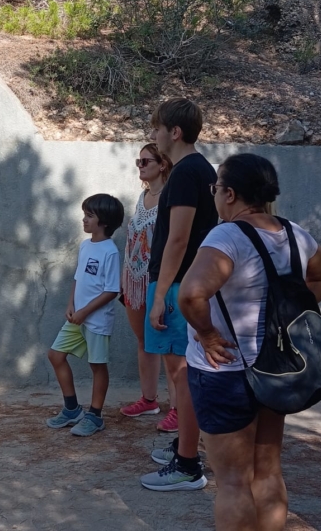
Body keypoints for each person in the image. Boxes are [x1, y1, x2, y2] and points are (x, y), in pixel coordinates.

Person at [178, 153, 321, 530]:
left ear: (230, 194)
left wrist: (207, 335)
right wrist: (288, 316)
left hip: (226, 371)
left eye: (215, 188)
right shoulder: (294, 234)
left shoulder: (226, 235)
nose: (214, 195)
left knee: (232, 481)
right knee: (267, 473)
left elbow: (190, 295)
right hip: (275, 368)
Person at [138, 98, 219, 492]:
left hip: (177, 284)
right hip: (183, 282)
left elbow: (179, 237)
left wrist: (161, 294)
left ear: (175, 132)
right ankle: (185, 445)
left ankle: (189, 463)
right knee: (182, 374)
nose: (152, 135)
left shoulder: (187, 172)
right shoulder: (197, 170)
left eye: (157, 128)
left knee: (182, 375)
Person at [45, 194, 125, 437]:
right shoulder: (85, 245)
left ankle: (95, 416)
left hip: (96, 321)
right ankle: (72, 409)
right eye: (85, 214)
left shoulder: (110, 251)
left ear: (105, 222)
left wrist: (85, 312)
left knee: (97, 365)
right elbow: (78, 278)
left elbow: (112, 290)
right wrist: (71, 305)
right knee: (56, 355)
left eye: (90, 216)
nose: (84, 219)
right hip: (77, 318)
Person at [119, 144, 179, 431]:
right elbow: (133, 241)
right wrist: (124, 276)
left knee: (167, 346)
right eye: (138, 161)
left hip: (158, 280)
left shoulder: (171, 197)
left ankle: (178, 409)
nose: (140, 166)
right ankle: (149, 399)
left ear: (162, 164)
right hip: (133, 279)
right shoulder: (142, 197)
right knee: (144, 342)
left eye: (145, 161)